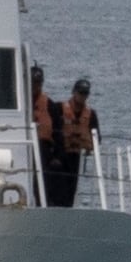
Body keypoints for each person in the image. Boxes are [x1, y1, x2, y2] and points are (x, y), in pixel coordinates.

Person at [40, 73, 98, 209]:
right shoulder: (59, 108)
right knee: (56, 188)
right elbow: (52, 129)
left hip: (75, 155)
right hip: (58, 155)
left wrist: (88, 144)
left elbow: (96, 136)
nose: (82, 96)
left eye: (85, 93)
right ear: (73, 92)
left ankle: (67, 207)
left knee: (71, 190)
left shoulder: (91, 114)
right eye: (80, 92)